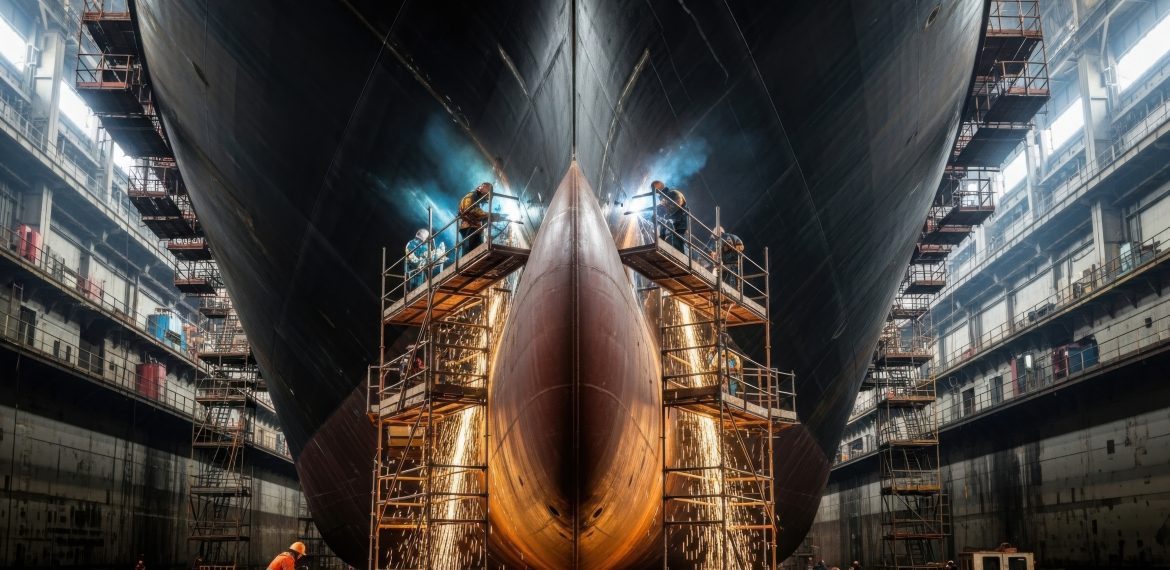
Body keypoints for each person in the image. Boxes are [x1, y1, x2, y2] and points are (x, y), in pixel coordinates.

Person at [652, 180, 688, 252]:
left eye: (663, 199)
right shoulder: (670, 197)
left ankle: (680, 254)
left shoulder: (674, 194)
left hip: (680, 219)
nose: (663, 201)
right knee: (665, 222)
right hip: (678, 218)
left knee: (677, 237)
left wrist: (664, 207)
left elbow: (678, 206)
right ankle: (662, 239)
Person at [459, 182, 493, 255]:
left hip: (474, 228)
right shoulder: (470, 196)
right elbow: (472, 210)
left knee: (478, 252)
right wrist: (490, 215)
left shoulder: (475, 199)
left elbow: (477, 212)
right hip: (469, 228)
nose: (485, 200)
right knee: (470, 253)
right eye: (486, 197)